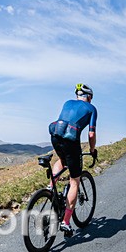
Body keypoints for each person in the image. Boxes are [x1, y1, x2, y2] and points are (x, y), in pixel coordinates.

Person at [48, 83, 98, 237]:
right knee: (74, 181)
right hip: (71, 140)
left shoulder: (67, 102)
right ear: (89, 97)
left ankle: (50, 187)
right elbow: (91, 134)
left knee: (62, 160)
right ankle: (66, 222)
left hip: (55, 135)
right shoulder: (92, 108)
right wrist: (91, 149)